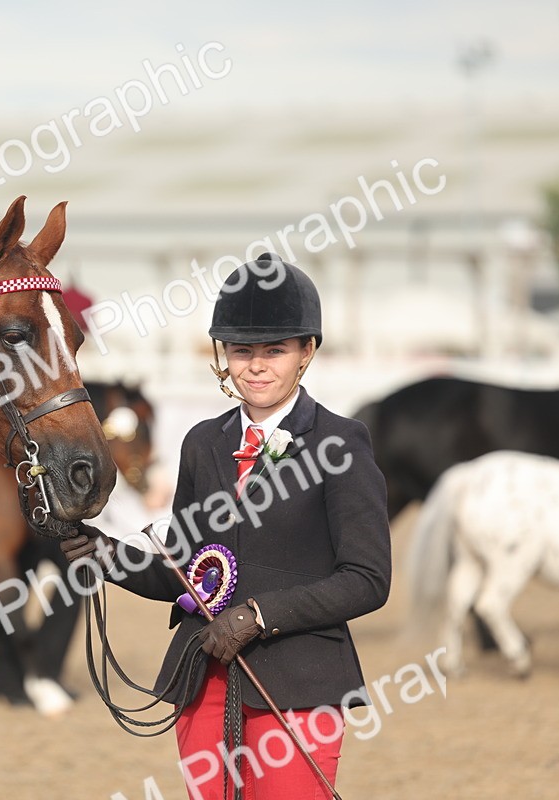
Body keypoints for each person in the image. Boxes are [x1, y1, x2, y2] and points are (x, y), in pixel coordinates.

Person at [62, 253, 391, 800]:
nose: (256, 366)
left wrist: (260, 615)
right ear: (223, 354)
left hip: (298, 684)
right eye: (242, 351)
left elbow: (367, 578)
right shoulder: (202, 443)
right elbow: (189, 575)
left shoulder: (341, 444)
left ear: (306, 352)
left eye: (274, 351)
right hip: (204, 682)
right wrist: (105, 555)